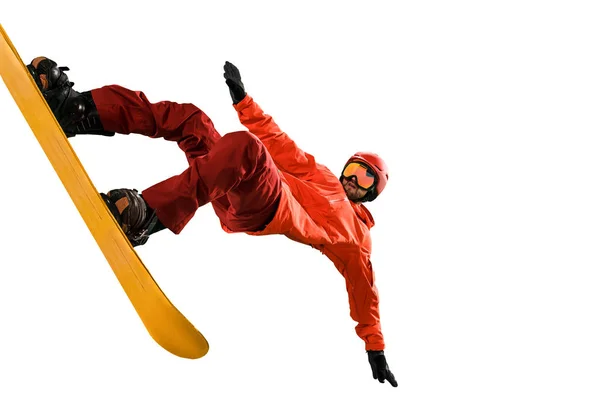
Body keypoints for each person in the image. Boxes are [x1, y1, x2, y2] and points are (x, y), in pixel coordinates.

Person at [26, 56, 398, 387]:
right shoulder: (320, 175)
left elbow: (364, 289)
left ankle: (146, 217)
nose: (354, 179)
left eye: (366, 179)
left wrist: (374, 346)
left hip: (265, 204)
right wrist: (244, 100)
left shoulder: (357, 236)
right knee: (193, 120)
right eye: (354, 169)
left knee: (247, 148)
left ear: (372, 194)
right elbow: (280, 143)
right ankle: (78, 109)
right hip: (231, 178)